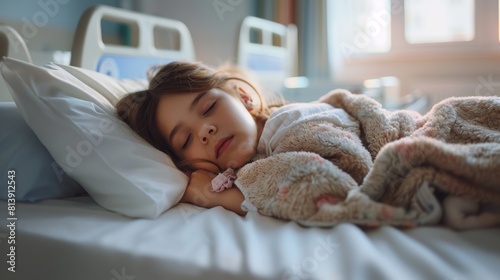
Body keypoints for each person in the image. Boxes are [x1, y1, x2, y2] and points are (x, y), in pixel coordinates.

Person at [116, 61, 360, 216]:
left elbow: (330, 191)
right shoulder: (253, 163)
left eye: (208, 107)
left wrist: (217, 196)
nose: (204, 131)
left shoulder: (290, 124)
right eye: (185, 139)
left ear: (243, 96)